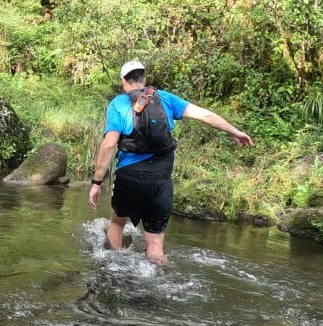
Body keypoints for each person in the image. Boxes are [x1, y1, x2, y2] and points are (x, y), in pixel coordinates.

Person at [87, 60, 254, 263]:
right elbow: (205, 115)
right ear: (144, 80)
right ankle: (158, 285)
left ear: (124, 82)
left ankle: (112, 271)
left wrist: (96, 183)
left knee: (117, 224)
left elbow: (109, 144)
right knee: (156, 246)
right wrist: (235, 132)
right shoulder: (164, 98)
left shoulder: (118, 104)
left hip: (129, 176)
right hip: (161, 179)